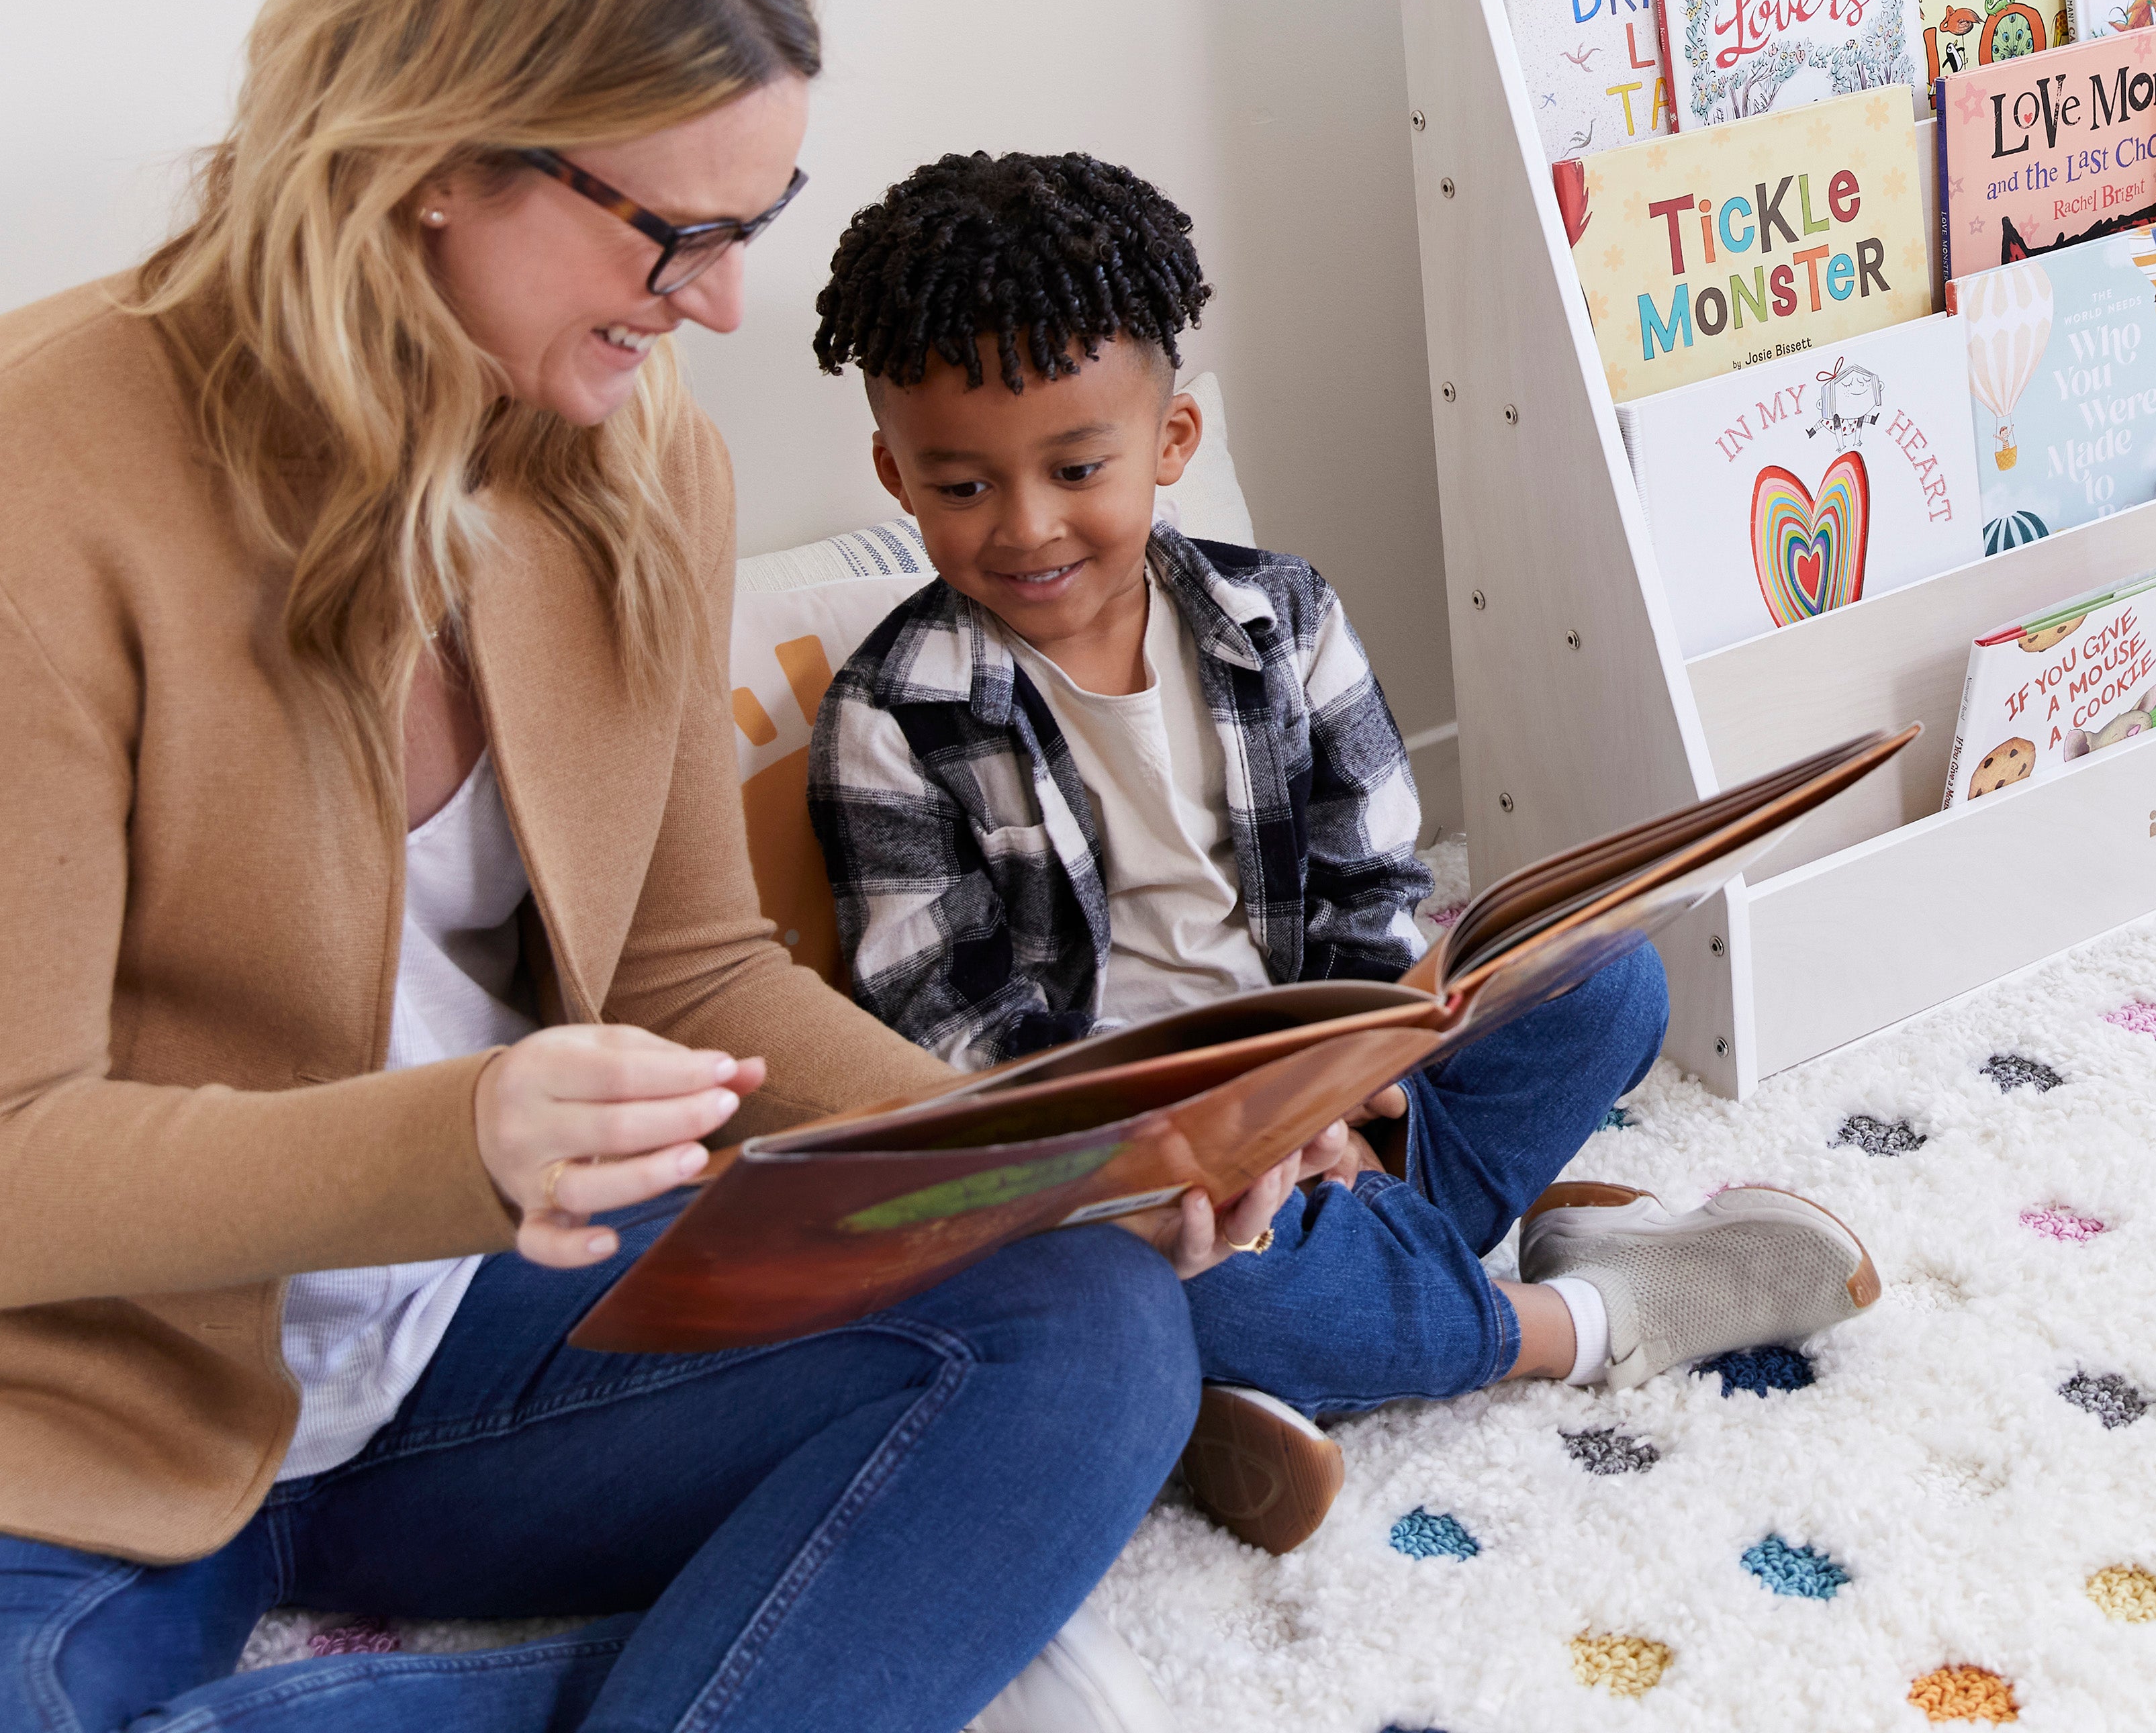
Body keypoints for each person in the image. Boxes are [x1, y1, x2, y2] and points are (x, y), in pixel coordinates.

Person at [0, 0, 1313, 1733]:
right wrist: (462, 1138)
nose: (719, 303)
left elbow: (692, 969)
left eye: (746, 227)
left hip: (474, 1340)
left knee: (1084, 1318)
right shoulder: (23, 496)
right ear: (435, 158)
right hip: (73, 1411)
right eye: (674, 231)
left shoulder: (632, 459)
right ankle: (856, 1649)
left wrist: (1051, 1154)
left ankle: (858, 1640)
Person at [806, 151, 1883, 1555]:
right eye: (960, 485)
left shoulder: (1283, 618)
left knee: (1609, 980)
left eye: (1076, 469)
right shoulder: (891, 715)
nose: (1025, 525)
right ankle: (1576, 1313)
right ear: (894, 472)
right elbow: (951, 1030)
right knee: (1166, 1285)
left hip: (1340, 1090)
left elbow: (1372, 888)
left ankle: (1326, 1317)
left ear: (1172, 438)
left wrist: (1345, 1091)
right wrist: (1226, 1140)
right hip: (1133, 1167)